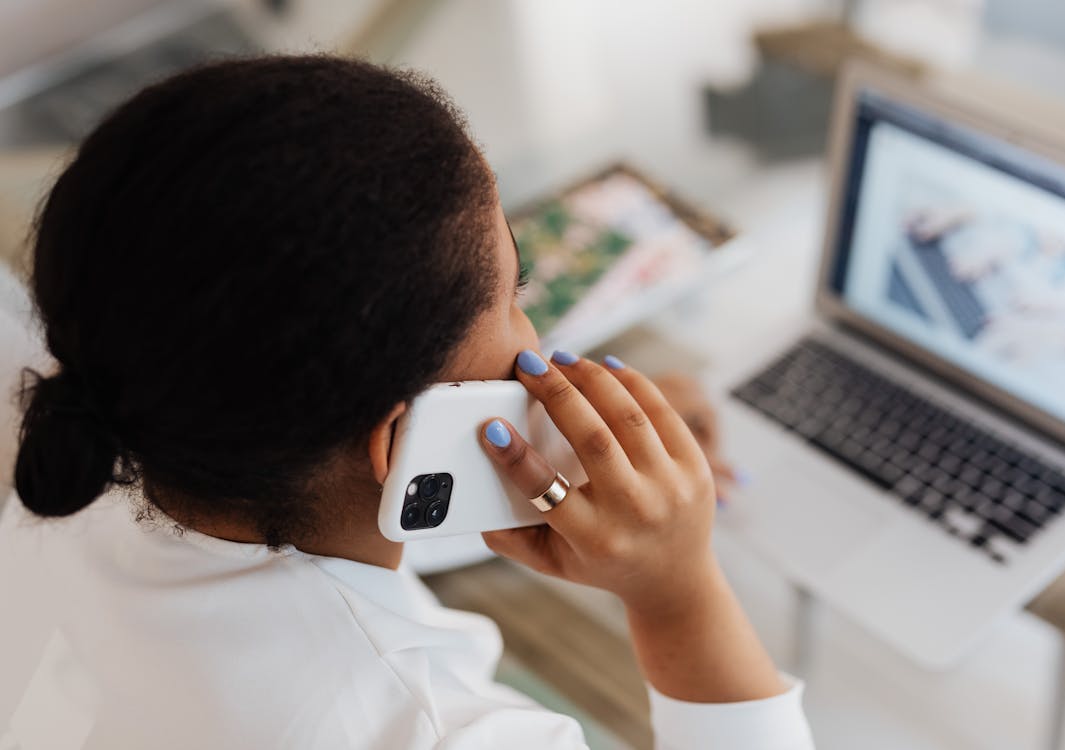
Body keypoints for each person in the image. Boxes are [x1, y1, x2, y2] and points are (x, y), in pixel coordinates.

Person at [0, 56, 814, 749]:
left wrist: (562, 481)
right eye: (516, 292)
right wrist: (676, 593)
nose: (531, 324)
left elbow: (327, 521)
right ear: (397, 443)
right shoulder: (432, 729)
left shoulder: (92, 448)